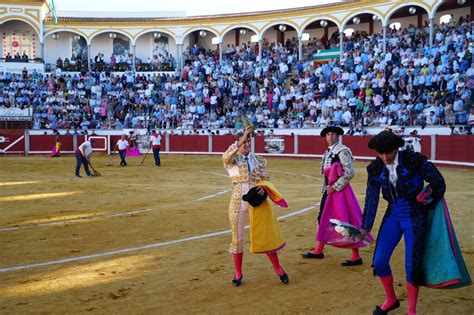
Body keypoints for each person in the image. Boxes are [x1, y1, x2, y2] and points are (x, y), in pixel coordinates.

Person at [360, 130, 447, 315]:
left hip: (414, 215)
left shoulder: (413, 161)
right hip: (393, 214)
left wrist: (427, 196)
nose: (385, 157)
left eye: (388, 153)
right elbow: (371, 198)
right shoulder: (375, 168)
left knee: (412, 266)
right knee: (380, 261)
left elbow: (438, 181)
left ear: (396, 149)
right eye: (380, 154)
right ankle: (391, 299)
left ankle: (412, 311)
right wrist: (365, 226)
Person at [222, 126, 289, 287]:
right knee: (237, 239)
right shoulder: (232, 158)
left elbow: (266, 178)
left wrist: (264, 188)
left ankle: (278, 268)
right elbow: (225, 158)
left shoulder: (257, 159)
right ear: (238, 142)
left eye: (248, 142)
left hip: (257, 200)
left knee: (265, 234)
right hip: (238, 199)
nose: (246, 144)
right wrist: (242, 138)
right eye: (244, 142)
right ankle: (238, 272)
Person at [302, 126, 371, 266]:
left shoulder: (342, 150)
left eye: (333, 134)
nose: (330, 136)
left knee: (345, 220)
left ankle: (356, 256)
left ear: (338, 136)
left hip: (340, 192)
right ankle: (318, 250)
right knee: (323, 218)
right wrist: (327, 189)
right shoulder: (328, 152)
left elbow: (349, 172)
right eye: (328, 134)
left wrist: (334, 187)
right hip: (329, 191)